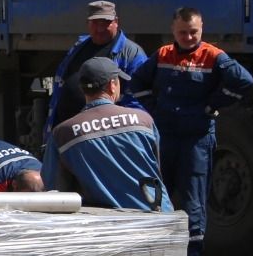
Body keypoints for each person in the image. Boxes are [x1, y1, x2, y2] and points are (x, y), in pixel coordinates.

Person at [130, 7, 253, 256]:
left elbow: (245, 82)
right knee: (156, 196)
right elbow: (136, 83)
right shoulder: (163, 54)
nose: (188, 37)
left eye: (193, 32)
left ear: (202, 29)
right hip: (166, 138)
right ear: (173, 31)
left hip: (195, 140)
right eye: (183, 32)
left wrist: (213, 106)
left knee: (193, 202)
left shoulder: (213, 56)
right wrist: (154, 108)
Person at [42, 57, 170, 213]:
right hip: (155, 216)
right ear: (112, 85)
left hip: (105, 223)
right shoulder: (144, 120)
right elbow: (157, 169)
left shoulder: (63, 133)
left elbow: (54, 189)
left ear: (83, 89)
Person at [46, 0, 147, 133]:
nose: (100, 28)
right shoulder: (78, 47)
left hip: (101, 137)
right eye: (95, 22)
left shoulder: (132, 54)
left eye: (106, 22)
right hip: (66, 132)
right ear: (87, 23)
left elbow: (138, 101)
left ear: (116, 22)